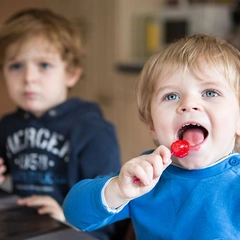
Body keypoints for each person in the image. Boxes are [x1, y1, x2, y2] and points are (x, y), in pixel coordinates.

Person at [63, 33, 240, 239]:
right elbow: (74, 215)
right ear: (152, 125)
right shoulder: (145, 177)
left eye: (210, 93)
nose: (188, 104)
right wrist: (117, 190)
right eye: (171, 96)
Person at [0, 8, 123, 240]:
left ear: (71, 73)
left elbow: (110, 212)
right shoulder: (7, 126)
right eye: (16, 66)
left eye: (44, 65)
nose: (28, 78)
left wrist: (66, 220)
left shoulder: (94, 132)